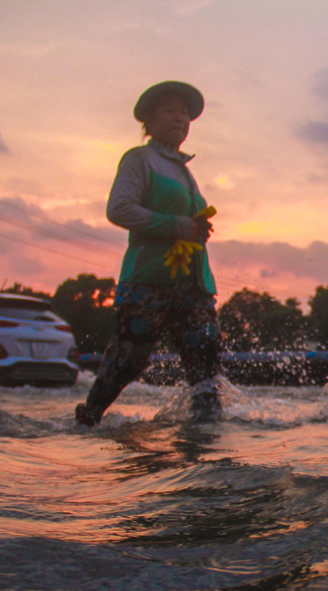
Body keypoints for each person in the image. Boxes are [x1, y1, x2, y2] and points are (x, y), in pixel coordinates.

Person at [76, 80, 222, 426]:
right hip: (148, 281)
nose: (180, 118)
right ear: (149, 122)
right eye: (170, 110)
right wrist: (177, 226)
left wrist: (198, 228)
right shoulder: (139, 159)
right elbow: (120, 209)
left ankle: (208, 434)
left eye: (185, 113)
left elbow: (189, 224)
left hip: (193, 284)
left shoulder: (186, 172)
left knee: (206, 359)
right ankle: (89, 418)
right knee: (128, 359)